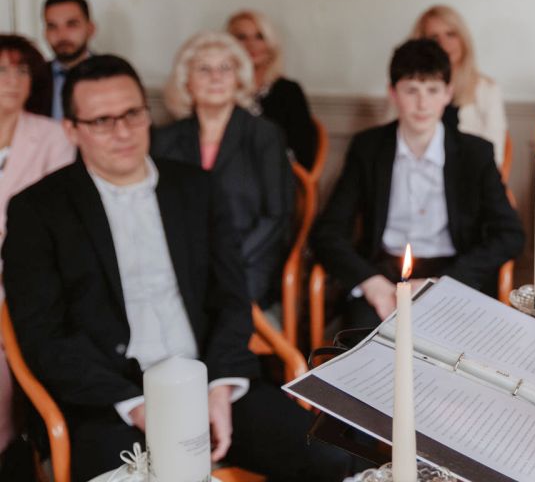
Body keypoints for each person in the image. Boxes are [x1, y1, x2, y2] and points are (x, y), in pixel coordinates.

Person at [2, 55, 347, 482]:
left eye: (132, 114)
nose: (123, 132)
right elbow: (43, 335)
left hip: (210, 377)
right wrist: (138, 406)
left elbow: (232, 297)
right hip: (109, 399)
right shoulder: (37, 209)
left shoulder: (196, 186)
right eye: (102, 121)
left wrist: (222, 386)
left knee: (333, 459)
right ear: (71, 129)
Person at [311, 39, 524, 331]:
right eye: (411, 90)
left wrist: (445, 283)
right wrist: (371, 283)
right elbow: (328, 232)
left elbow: (510, 234)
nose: (422, 104)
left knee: (456, 346)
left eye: (432, 90)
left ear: (448, 93)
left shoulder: (475, 153)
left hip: (453, 273)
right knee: (364, 342)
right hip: (383, 274)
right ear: (393, 93)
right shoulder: (368, 148)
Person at [153, 32, 294, 310]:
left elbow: (277, 216)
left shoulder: (264, 135)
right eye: (204, 69)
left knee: (214, 304)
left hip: (248, 257)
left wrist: (225, 260)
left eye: (225, 68)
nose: (215, 77)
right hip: (182, 258)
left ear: (239, 78)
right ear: (186, 82)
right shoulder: (165, 139)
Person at [0, 35, 74, 463]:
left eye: (22, 70)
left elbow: (55, 224)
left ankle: (12, 449)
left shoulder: (53, 137)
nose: (12, 80)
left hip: (24, 277)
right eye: (2, 70)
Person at [411, 5, 507, 169]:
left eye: (451, 34)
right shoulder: (409, 89)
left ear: (463, 39)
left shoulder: (487, 88)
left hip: (470, 174)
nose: (443, 44)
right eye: (434, 38)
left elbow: (495, 155)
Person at [226, 10, 319, 170]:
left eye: (259, 37)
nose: (251, 45)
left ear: (271, 45)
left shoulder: (289, 91)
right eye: (241, 37)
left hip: (277, 175)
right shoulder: (219, 90)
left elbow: (303, 154)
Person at [42, 0, 95, 121]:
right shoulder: (34, 77)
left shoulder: (112, 74)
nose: (62, 35)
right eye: (52, 26)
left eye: (72, 24)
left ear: (90, 29)